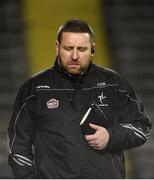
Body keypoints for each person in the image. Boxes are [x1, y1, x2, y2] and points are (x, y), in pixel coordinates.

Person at [8, 19, 152, 179]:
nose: (74, 56)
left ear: (92, 49)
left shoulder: (114, 84)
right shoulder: (33, 89)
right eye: (68, 48)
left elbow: (142, 127)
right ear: (57, 48)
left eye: (81, 49)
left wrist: (111, 137)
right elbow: (19, 147)